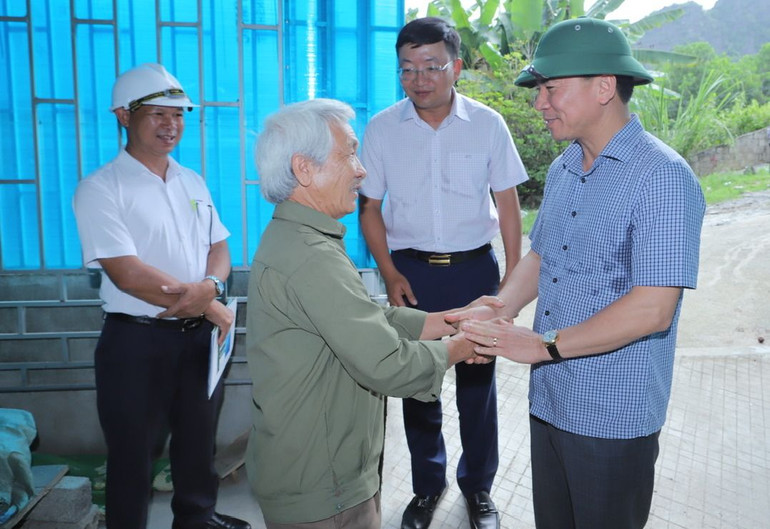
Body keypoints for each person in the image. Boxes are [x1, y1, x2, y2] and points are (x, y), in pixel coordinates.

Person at [452, 18, 706, 529]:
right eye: (539, 90)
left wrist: (543, 345)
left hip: (613, 416)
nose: (539, 103)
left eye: (551, 88)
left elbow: (653, 308)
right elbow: (542, 256)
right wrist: (497, 308)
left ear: (604, 87)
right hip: (552, 400)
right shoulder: (568, 165)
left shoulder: (662, 179)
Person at [244, 98, 489, 529]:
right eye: (349, 154)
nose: (361, 170)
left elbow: (357, 321)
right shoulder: (309, 256)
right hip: (325, 489)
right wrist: (465, 345)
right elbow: (386, 364)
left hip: (319, 472)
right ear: (304, 169)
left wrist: (444, 322)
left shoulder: (301, 238)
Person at [358, 17, 528, 529]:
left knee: (478, 385)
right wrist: (388, 272)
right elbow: (368, 209)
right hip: (411, 274)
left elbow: (508, 203)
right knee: (418, 384)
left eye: (432, 66)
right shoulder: (383, 128)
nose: (420, 78)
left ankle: (478, 489)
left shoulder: (488, 124)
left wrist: (512, 279)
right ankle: (426, 487)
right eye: (408, 68)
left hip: (474, 270)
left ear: (455, 67)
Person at [73, 63, 250, 529]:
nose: (171, 125)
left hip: (198, 337)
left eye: (178, 115)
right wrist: (209, 302)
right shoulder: (100, 188)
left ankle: (197, 518)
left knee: (197, 441)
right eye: (157, 114)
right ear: (123, 115)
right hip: (136, 342)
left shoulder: (191, 180)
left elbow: (219, 246)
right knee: (133, 453)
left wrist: (210, 287)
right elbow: (128, 274)